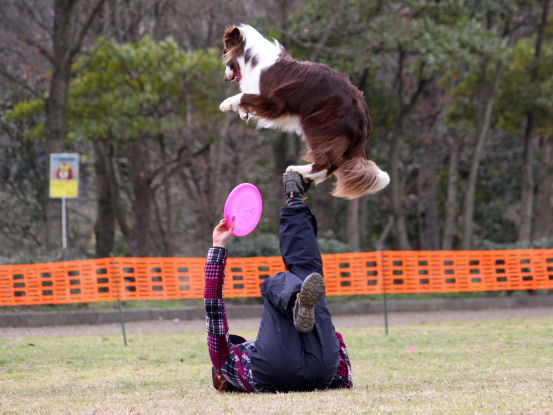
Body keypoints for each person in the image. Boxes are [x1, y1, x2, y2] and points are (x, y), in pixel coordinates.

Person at [204, 172, 352, 392]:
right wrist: (217, 247)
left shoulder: (238, 366)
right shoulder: (225, 365)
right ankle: (296, 302)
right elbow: (213, 308)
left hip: (321, 369)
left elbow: (344, 375)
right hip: (275, 369)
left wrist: (333, 344)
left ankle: (295, 199)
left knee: (307, 276)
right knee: (275, 284)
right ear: (219, 379)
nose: (240, 343)